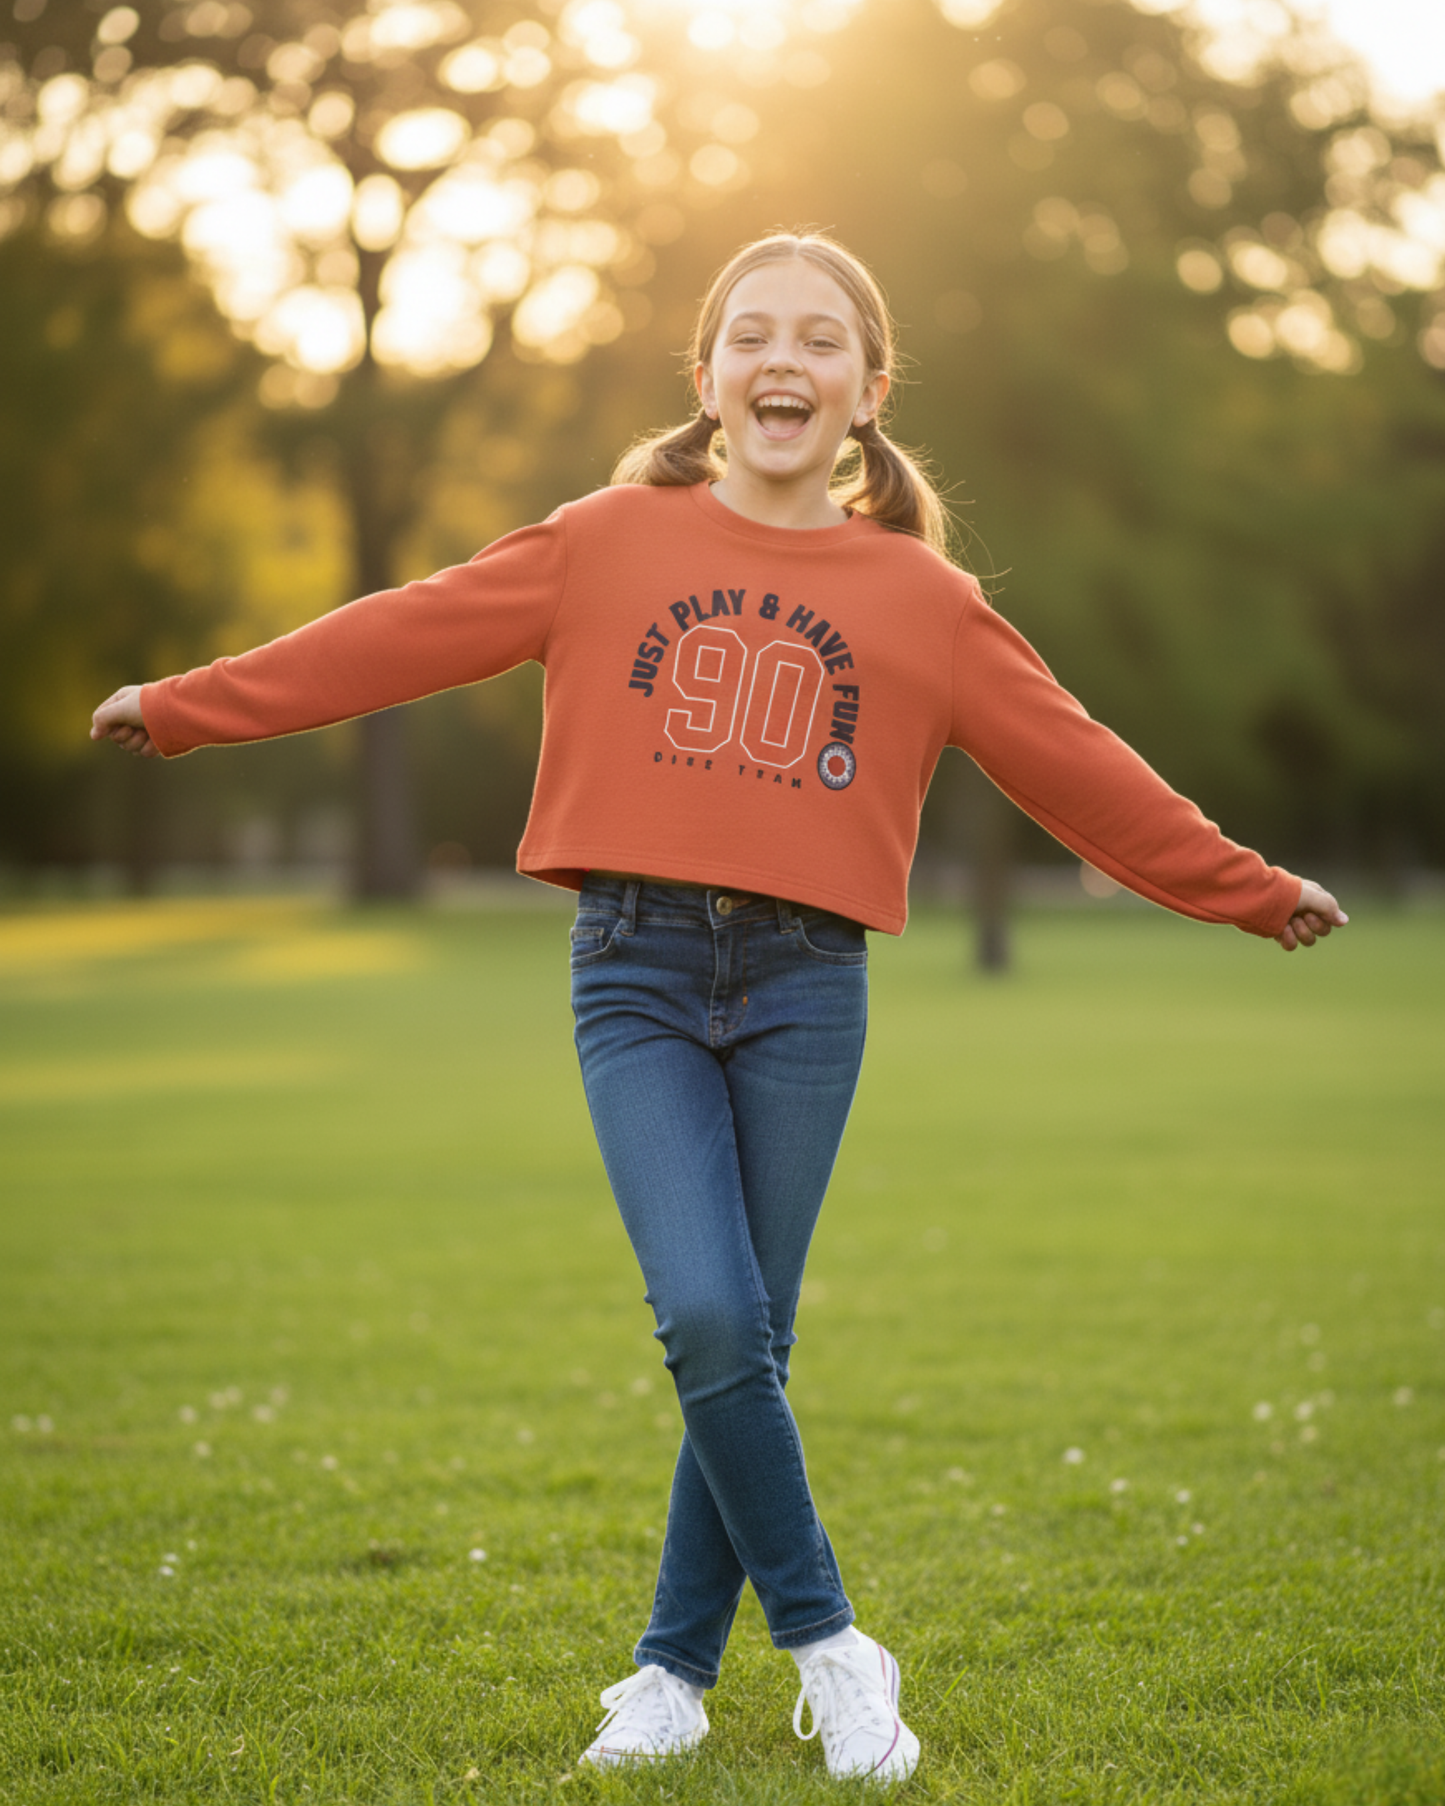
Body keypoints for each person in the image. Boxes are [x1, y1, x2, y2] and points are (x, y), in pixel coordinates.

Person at [92, 231, 1345, 1783]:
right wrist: (193, 704)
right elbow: (401, 628)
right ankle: (832, 1641)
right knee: (707, 1312)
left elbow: (1079, 763)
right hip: (638, 970)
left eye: (822, 342)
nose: (784, 362)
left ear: (869, 392)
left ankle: (673, 1673)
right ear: (705, 377)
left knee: (742, 1332)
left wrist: (1243, 882)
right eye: (753, 336)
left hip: (810, 987)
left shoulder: (919, 599)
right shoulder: (605, 540)